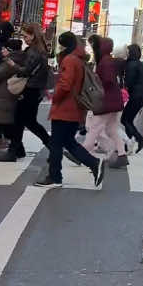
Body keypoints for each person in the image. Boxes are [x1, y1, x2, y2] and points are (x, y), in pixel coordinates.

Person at [35, 32, 105, 188]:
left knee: (56, 144)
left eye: (60, 44)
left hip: (65, 109)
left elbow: (65, 85)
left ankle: (54, 177)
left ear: (64, 46)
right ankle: (93, 163)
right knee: (68, 142)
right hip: (75, 109)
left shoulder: (69, 60)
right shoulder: (78, 60)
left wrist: (55, 97)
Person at [0, 22, 52, 162]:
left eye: (25, 36)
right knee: (26, 121)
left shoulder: (35, 51)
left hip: (30, 90)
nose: (24, 38)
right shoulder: (39, 49)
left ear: (33, 36)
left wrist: (10, 62)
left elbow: (25, 71)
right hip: (35, 90)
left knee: (21, 121)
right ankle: (17, 150)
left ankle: (15, 151)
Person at [84, 36, 127, 167]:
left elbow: (107, 80)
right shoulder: (108, 60)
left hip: (106, 101)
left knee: (94, 127)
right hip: (113, 100)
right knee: (111, 129)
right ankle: (121, 154)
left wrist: (97, 81)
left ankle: (81, 154)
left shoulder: (105, 61)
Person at [122, 44, 143, 152]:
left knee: (125, 119)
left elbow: (129, 81)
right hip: (141, 96)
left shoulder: (131, 64)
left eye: (127, 51)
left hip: (136, 96)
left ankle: (139, 139)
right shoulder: (139, 63)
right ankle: (129, 144)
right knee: (128, 120)